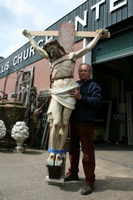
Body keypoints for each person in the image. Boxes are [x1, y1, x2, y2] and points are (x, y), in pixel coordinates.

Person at [22, 29, 106, 166]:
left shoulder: (71, 56)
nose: (52, 52)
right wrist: (30, 37)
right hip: (56, 92)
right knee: (55, 123)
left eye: (54, 48)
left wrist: (97, 36)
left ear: (58, 47)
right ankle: (52, 152)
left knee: (65, 123)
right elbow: (36, 48)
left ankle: (59, 153)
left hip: (69, 91)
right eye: (50, 50)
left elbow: (88, 47)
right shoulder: (50, 59)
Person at [65, 63, 102, 195]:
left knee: (87, 152)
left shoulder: (94, 86)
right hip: (73, 122)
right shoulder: (75, 85)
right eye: (81, 71)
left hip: (86, 123)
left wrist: (81, 97)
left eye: (85, 71)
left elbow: (97, 103)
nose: (83, 73)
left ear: (90, 72)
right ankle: (73, 173)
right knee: (73, 150)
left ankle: (90, 181)